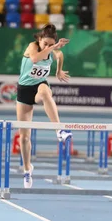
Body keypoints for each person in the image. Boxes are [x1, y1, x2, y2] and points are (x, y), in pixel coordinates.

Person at [16, 23, 72, 189]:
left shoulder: (54, 51)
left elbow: (60, 56)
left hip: (39, 86)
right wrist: (53, 47)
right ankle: (27, 169)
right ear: (39, 40)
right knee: (24, 137)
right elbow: (35, 59)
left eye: (50, 44)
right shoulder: (32, 47)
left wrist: (58, 71)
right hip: (24, 90)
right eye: (45, 43)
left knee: (46, 92)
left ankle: (59, 130)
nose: (47, 46)